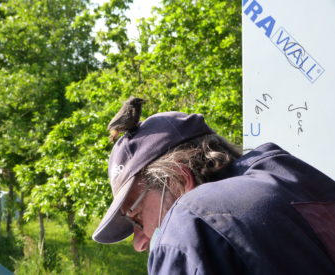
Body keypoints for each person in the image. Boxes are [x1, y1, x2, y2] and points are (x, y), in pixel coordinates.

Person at [92, 111, 335, 274]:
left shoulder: (190, 224)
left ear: (177, 179)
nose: (139, 242)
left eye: (136, 217)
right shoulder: (295, 181)